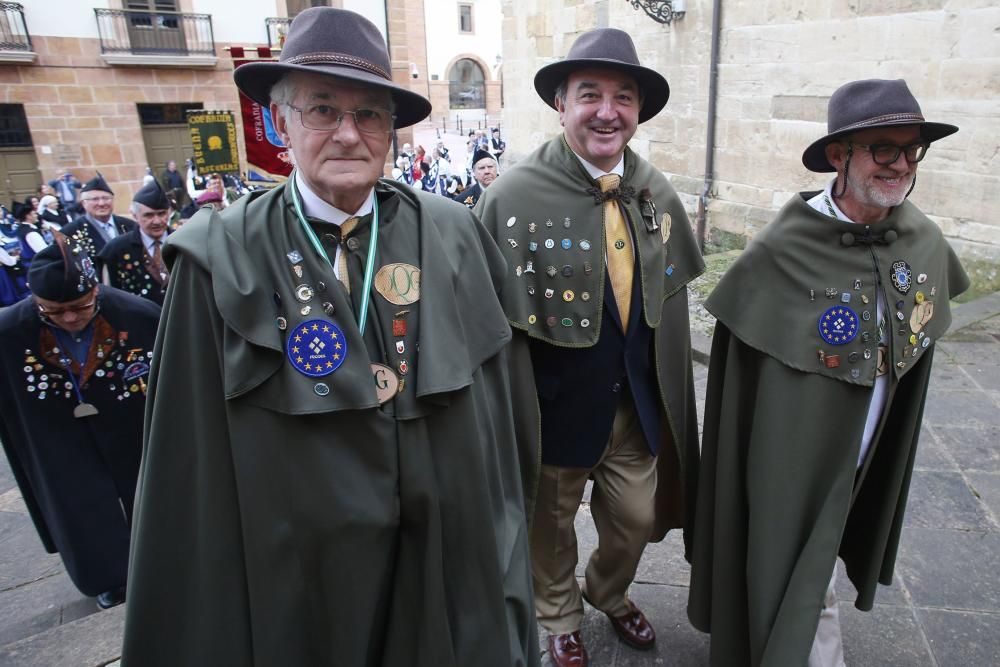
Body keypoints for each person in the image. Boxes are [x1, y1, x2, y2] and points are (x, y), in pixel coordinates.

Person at [121, 8, 539, 666]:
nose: (348, 134)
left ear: (393, 131)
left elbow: (502, 421)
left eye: (370, 113)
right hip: (296, 582)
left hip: (435, 561)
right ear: (280, 123)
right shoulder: (216, 260)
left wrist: (499, 550)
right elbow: (188, 466)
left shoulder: (454, 233)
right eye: (322, 109)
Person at [687, 79, 970, 667]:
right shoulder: (779, 250)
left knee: (820, 560)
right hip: (791, 451)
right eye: (884, 149)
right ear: (840, 155)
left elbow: (923, 318)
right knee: (797, 571)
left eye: (912, 149)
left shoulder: (920, 238)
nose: (902, 165)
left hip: (869, 441)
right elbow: (740, 383)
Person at [475, 28, 704, 667]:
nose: (607, 111)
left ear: (638, 111)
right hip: (555, 408)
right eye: (590, 95)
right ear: (561, 105)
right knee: (551, 528)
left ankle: (609, 590)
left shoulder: (654, 189)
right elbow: (491, 322)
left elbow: (672, 302)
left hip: (635, 401)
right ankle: (559, 614)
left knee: (634, 519)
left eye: (622, 97)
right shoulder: (513, 195)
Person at [0, 233, 160, 610]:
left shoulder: (137, 315)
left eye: (79, 306)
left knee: (147, 495)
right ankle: (107, 578)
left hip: (128, 423)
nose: (69, 318)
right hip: (55, 431)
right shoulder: (8, 331)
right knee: (81, 507)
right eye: (53, 311)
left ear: (95, 293)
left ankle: (160, 563)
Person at [98, 179, 172, 306]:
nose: (157, 221)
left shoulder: (184, 243)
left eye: (161, 214)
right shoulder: (116, 250)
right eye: (148, 215)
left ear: (169, 213)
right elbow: (109, 296)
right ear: (135, 215)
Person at [62, 174, 137, 260]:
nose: (101, 203)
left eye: (106, 198)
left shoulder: (130, 226)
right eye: (95, 199)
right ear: (83, 203)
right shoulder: (69, 232)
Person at [13, 200, 47, 266]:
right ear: (28, 216)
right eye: (34, 213)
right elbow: (43, 252)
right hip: (37, 265)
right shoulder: (31, 233)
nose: (37, 215)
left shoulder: (21, 228)